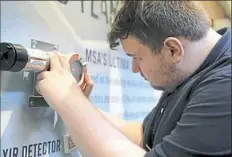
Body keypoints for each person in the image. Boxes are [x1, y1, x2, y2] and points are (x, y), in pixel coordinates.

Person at [36, 1, 231, 157]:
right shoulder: (192, 70)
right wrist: (84, 106)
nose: (135, 68)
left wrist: (68, 101)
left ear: (173, 49)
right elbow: (145, 138)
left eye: (137, 58)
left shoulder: (225, 86)